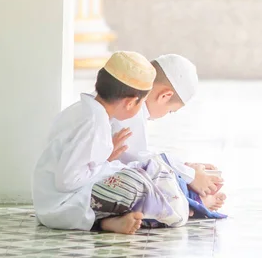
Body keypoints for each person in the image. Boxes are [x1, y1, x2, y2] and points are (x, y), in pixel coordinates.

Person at [32, 51, 190, 234]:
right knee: (136, 183)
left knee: (142, 172)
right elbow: (67, 182)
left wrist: (105, 159)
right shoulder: (94, 124)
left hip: (60, 200)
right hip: (63, 204)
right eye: (142, 102)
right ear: (130, 103)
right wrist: (105, 162)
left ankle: (107, 222)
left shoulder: (85, 111)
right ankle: (173, 211)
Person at [112, 54, 226, 211]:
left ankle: (190, 200)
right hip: (87, 191)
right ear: (164, 96)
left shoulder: (121, 99)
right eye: (170, 111)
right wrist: (190, 175)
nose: (165, 115)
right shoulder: (128, 111)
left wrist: (184, 168)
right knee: (161, 183)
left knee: (167, 175)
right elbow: (141, 162)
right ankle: (193, 202)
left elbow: (140, 154)